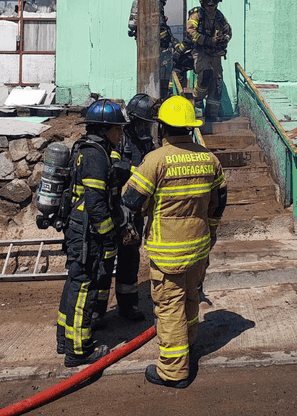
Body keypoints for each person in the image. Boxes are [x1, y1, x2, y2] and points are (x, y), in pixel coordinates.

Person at [121, 95, 228, 388]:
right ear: (191, 128)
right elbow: (219, 202)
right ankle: (190, 347)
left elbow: (131, 200)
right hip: (199, 247)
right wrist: (212, 231)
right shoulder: (210, 159)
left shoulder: (156, 160)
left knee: (169, 308)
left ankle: (173, 371)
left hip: (168, 252)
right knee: (191, 299)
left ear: (163, 128)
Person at [56, 98, 127, 367]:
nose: (121, 134)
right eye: (118, 129)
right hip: (87, 232)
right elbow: (96, 203)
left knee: (75, 282)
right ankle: (78, 350)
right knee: (84, 286)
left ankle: (64, 338)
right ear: (105, 128)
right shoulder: (97, 155)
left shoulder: (85, 148)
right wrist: (109, 234)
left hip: (78, 227)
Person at [112, 93, 159, 322]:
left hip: (136, 211)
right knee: (105, 258)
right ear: (132, 120)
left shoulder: (147, 142)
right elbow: (112, 169)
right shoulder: (119, 139)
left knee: (131, 257)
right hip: (117, 208)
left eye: (147, 124)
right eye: (141, 123)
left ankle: (128, 305)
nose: (144, 127)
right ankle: (98, 310)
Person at [186, 0, 232, 123]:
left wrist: (225, 39)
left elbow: (228, 30)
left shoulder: (219, 16)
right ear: (203, 3)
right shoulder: (197, 15)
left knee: (217, 84)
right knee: (206, 74)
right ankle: (198, 106)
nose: (211, 8)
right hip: (201, 52)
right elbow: (190, 31)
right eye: (208, 5)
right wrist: (208, 40)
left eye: (214, 5)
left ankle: (212, 114)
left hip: (216, 54)